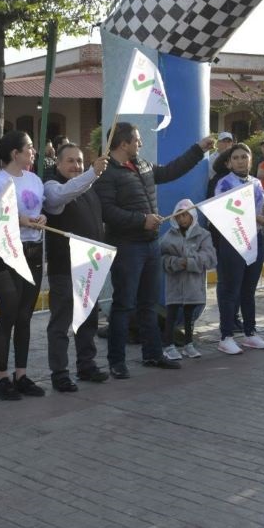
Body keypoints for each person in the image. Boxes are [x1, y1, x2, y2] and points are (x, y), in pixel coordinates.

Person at [93, 122, 213, 375]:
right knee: (124, 304)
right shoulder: (106, 173)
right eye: (137, 140)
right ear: (123, 143)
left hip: (149, 244)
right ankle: (117, 362)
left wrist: (198, 149)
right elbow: (107, 211)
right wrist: (141, 220)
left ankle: (153, 354)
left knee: (148, 304)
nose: (140, 143)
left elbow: (170, 171)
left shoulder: (143, 165)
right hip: (127, 246)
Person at [0, 131, 48, 400]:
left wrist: (40, 217)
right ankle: (1, 377)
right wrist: (17, 221)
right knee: (8, 314)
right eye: (29, 147)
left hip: (33, 252)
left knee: (24, 317)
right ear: (14, 153)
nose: (34, 152)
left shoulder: (35, 179)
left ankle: (21, 374)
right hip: (6, 255)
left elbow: (38, 211)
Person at [42, 143, 109, 392]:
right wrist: (92, 173)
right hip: (64, 268)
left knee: (88, 320)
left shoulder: (88, 188)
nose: (76, 166)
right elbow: (62, 195)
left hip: (89, 266)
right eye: (70, 161)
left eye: (79, 161)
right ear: (58, 164)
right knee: (61, 324)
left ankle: (86, 365)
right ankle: (59, 373)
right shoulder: (52, 187)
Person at [212, 143, 264, 355]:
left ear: (250, 160)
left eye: (243, 157)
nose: (240, 161)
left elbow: (261, 209)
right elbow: (223, 212)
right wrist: (253, 217)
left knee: (248, 289)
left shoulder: (257, 183)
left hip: (255, 239)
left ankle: (250, 333)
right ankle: (226, 336)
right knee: (230, 289)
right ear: (229, 162)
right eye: (236, 157)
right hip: (233, 241)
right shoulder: (224, 183)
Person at [159, 199, 217, 360]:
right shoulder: (168, 237)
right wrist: (176, 263)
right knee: (172, 313)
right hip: (175, 283)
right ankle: (168, 345)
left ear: (192, 215)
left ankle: (188, 344)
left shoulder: (203, 235)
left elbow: (210, 257)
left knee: (189, 315)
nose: (182, 219)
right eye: (179, 216)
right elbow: (162, 259)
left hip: (193, 284)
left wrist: (189, 262)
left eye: (185, 215)